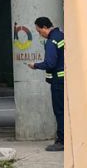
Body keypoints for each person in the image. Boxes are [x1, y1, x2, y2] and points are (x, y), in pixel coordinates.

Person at [27, 16, 64, 151]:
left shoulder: (51, 41)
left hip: (58, 82)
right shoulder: (61, 36)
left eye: (38, 31)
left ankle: (62, 141)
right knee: (65, 111)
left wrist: (35, 65)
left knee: (59, 112)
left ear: (44, 27)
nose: (39, 34)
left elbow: (50, 63)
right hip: (65, 80)